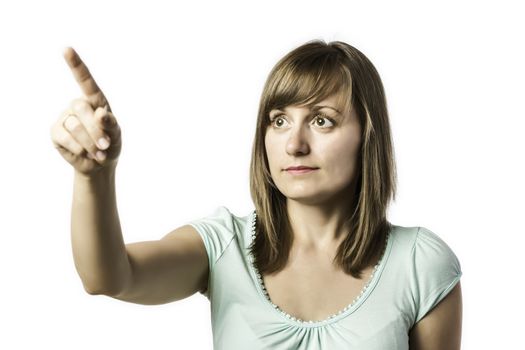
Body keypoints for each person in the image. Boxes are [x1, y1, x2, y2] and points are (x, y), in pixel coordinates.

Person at [50, 40, 463, 350]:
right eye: (279, 120)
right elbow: (107, 276)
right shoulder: (222, 247)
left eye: (322, 121)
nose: (294, 144)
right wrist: (94, 176)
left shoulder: (420, 264)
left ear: (367, 136)